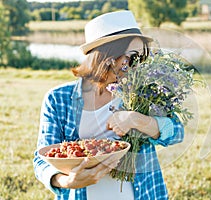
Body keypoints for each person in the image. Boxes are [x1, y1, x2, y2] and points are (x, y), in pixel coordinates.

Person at [33, 10, 184, 200]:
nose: (135, 67)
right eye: (130, 58)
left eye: (140, 58)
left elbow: (177, 132)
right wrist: (67, 182)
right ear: (106, 56)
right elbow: (41, 159)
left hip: (143, 194)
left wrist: (136, 119)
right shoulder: (57, 99)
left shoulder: (142, 94)